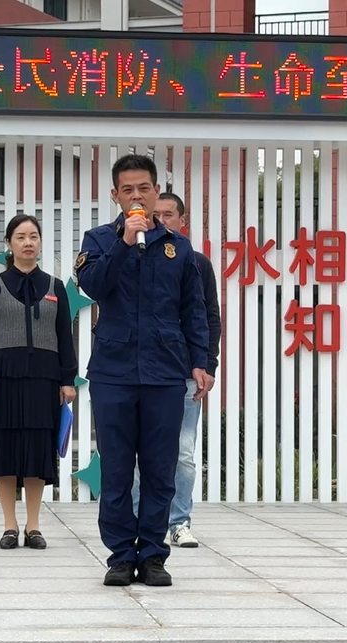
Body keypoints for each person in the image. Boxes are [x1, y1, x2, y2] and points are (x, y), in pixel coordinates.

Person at [75, 154, 211, 588]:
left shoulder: (179, 248)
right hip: (113, 372)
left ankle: (152, 554)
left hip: (166, 373)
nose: (137, 196)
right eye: (128, 190)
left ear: (156, 192)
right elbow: (93, 285)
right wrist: (123, 241)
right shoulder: (98, 240)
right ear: (116, 195)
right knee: (116, 469)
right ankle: (120, 555)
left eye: (144, 189)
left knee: (159, 469)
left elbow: (194, 310)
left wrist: (202, 362)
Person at [0, 214, 78, 551]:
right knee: (3, 450)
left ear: (40, 242)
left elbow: (65, 336)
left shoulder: (55, 287)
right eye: (20, 237)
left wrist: (67, 379)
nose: (28, 242)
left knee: (36, 451)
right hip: (2, 378)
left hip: (43, 379)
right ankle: (9, 526)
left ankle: (33, 526)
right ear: (9, 244)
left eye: (33, 236)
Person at [131, 193, 220, 549]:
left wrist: (207, 364)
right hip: (141, 372)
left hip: (183, 373)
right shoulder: (134, 256)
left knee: (182, 452)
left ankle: (179, 522)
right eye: (156, 214)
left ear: (182, 221)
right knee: (137, 452)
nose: (162, 220)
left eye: (169, 215)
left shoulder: (196, 262)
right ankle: (138, 523)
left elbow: (208, 317)